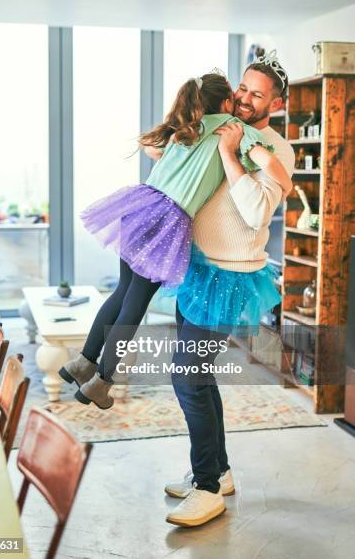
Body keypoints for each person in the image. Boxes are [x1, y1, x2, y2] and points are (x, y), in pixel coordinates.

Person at [59, 68, 292, 410]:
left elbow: (158, 151)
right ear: (227, 101)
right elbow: (268, 161)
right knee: (134, 306)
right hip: (168, 222)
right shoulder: (234, 130)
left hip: (139, 209)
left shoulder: (188, 126)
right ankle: (101, 383)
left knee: (122, 294)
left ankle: (82, 362)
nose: (243, 100)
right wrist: (284, 182)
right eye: (240, 92)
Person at [164, 50, 296, 527]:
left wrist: (228, 154)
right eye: (243, 87)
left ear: (274, 104)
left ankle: (206, 489)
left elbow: (258, 212)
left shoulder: (274, 148)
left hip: (230, 276)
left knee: (188, 377)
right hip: (197, 269)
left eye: (256, 94)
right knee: (199, 377)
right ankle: (216, 471)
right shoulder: (224, 124)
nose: (243, 98)